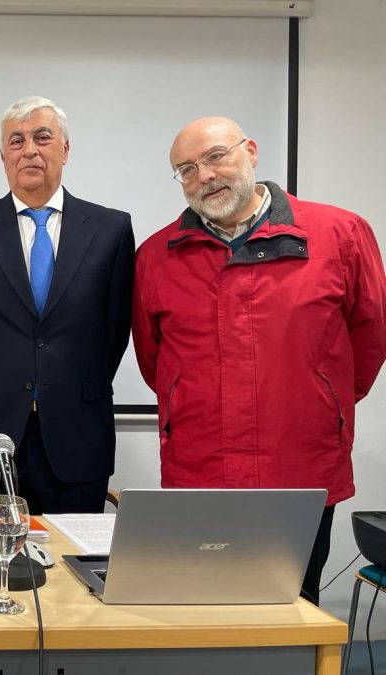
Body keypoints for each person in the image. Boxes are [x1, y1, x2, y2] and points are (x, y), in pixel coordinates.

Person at [132, 116, 386, 604]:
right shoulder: (155, 257)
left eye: (215, 156)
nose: (204, 175)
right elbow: (154, 360)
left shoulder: (341, 234)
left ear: (250, 151)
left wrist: (318, 398)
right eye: (185, 169)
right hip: (199, 470)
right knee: (201, 611)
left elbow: (368, 340)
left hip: (300, 467)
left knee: (294, 609)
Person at [0, 96, 135, 513]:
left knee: (73, 568)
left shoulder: (111, 229)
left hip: (77, 432)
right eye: (16, 140)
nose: (29, 150)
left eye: (42, 137)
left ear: (64, 149)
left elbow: (115, 330)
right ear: (2, 156)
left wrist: (67, 381)